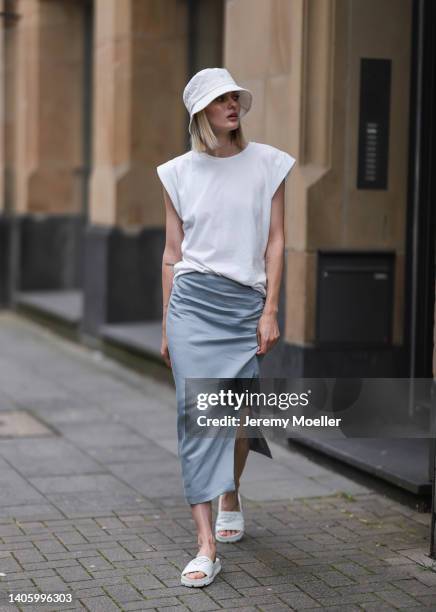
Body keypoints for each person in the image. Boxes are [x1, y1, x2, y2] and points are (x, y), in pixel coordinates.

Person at [156, 67, 296, 588]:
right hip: (192, 305)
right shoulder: (177, 173)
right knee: (196, 417)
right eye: (220, 101)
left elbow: (276, 242)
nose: (231, 105)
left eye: (234, 97)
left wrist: (271, 310)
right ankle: (205, 545)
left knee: (236, 418)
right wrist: (168, 325)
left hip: (245, 307)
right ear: (201, 115)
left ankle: (230, 491)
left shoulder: (269, 165)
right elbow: (172, 255)